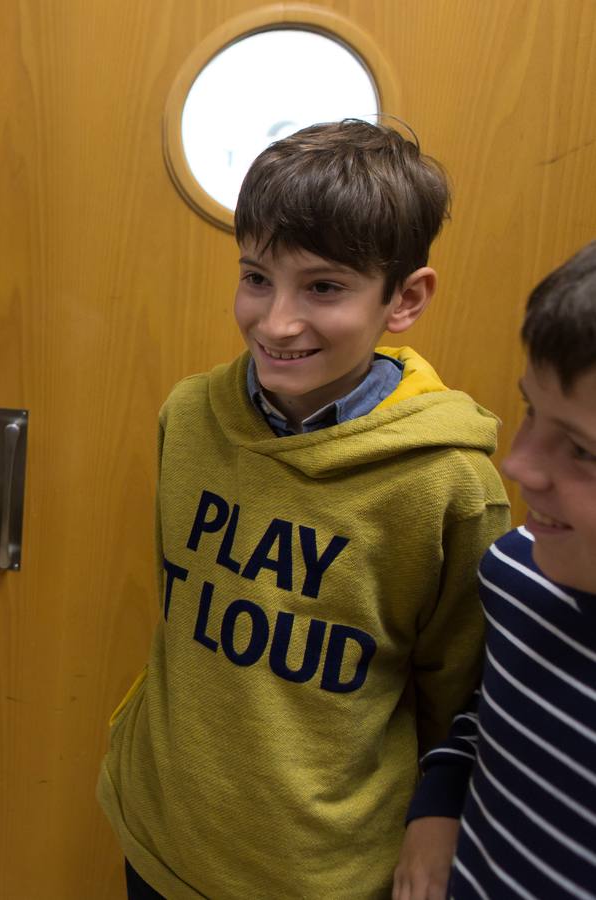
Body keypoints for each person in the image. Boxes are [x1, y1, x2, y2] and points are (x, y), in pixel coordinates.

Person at [97, 119, 512, 898]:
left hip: (324, 875)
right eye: (256, 277)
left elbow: (465, 695)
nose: (276, 321)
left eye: (322, 287)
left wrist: (438, 815)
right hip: (158, 838)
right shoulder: (188, 417)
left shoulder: (448, 485)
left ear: (405, 298)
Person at [394, 239, 596, 899]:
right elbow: (492, 710)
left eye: (582, 451)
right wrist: (437, 804)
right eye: (531, 410)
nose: (517, 464)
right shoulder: (517, 570)